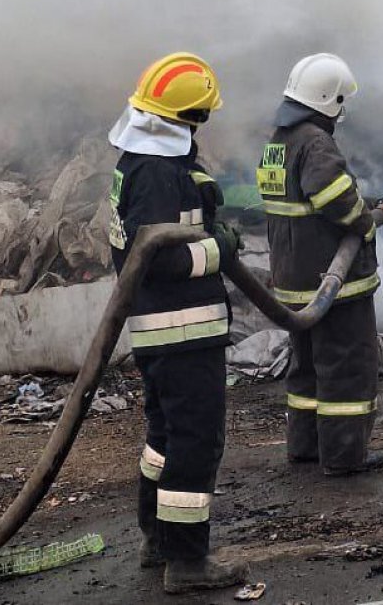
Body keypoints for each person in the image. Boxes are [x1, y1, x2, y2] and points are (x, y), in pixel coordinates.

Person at [107, 52, 249, 594]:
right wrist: (221, 248)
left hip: (161, 330)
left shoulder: (139, 163)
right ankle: (187, 561)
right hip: (182, 330)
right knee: (196, 441)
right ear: (188, 119)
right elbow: (161, 258)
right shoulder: (158, 176)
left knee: (164, 438)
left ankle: (157, 540)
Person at [256, 53, 383, 477]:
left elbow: (305, 200)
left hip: (293, 276)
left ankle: (305, 447)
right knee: (346, 367)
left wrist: (374, 208)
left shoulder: (278, 140)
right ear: (330, 99)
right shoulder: (315, 142)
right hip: (333, 282)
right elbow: (334, 199)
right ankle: (344, 457)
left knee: (306, 368)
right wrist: (371, 217)